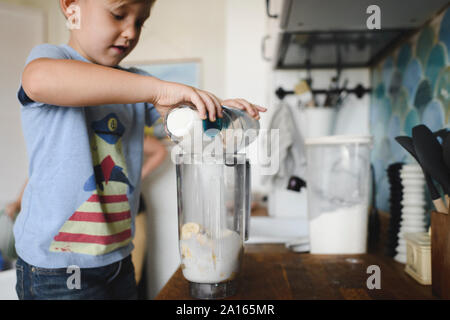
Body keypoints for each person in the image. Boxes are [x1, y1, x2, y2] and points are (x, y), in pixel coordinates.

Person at [15, 0, 266, 300]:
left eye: (140, 22)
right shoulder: (52, 59)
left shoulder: (138, 84)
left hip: (117, 258)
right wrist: (157, 89)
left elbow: (182, 123)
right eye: (118, 15)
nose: (130, 32)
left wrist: (219, 113)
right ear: (72, 7)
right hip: (57, 268)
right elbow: (39, 80)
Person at [132, 131, 167, 300]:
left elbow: (159, 150)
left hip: (133, 208)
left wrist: (134, 180)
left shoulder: (124, 127)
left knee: (133, 275)